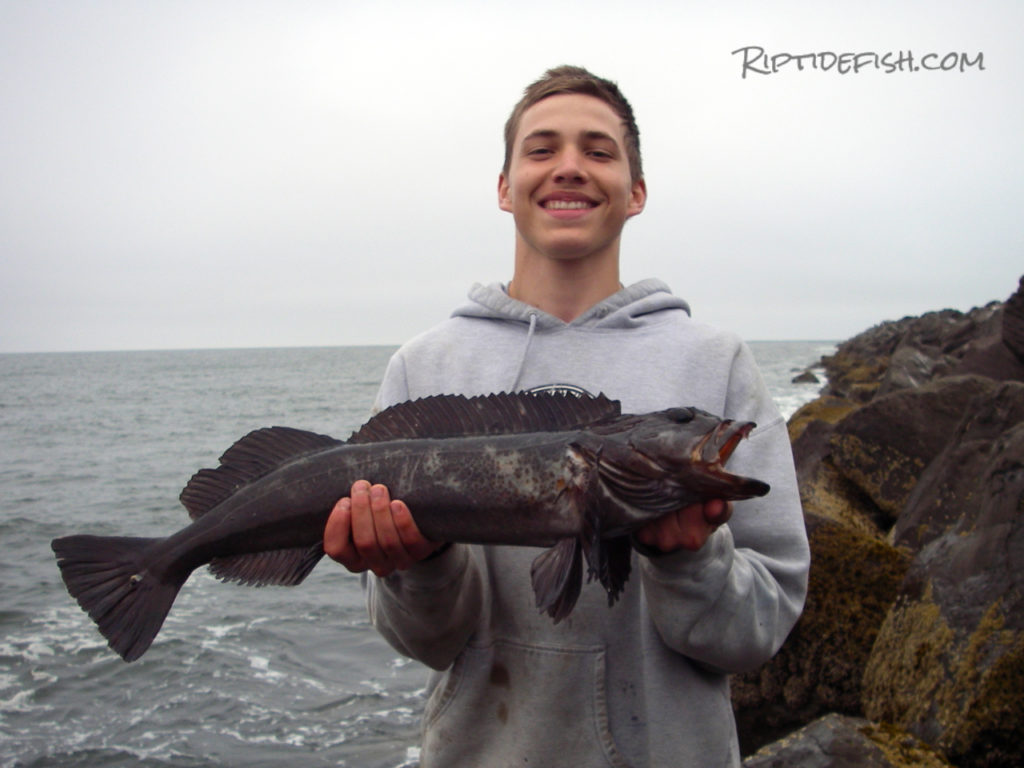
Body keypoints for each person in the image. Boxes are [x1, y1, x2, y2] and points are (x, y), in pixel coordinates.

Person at [323, 65, 810, 767]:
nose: (571, 168)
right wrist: (417, 567)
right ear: (504, 186)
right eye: (543, 148)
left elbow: (757, 633)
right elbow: (427, 643)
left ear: (636, 192)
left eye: (600, 151)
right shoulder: (423, 368)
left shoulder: (718, 365)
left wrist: (691, 561)